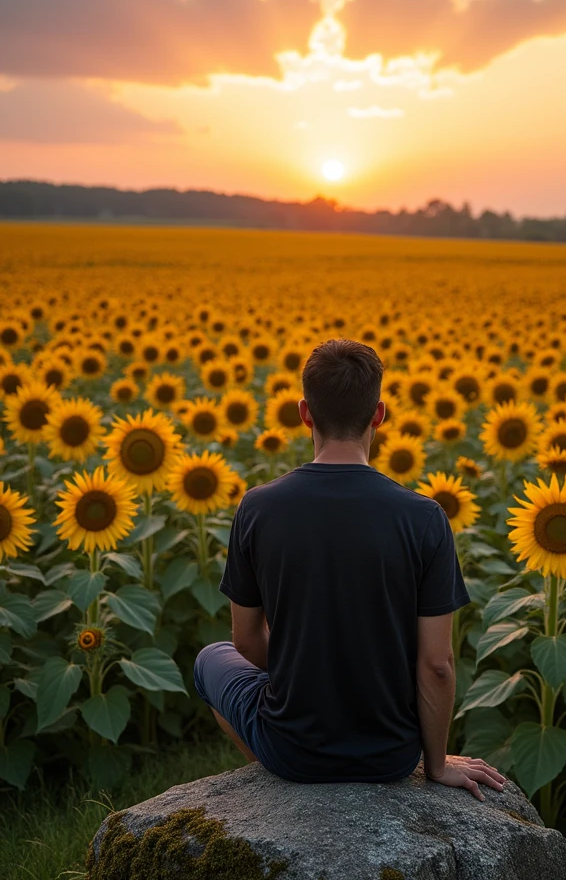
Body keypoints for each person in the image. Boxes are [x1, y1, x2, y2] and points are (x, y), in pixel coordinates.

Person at [194, 338, 506, 799]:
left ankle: (276, 776)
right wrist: (434, 765)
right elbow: (437, 665)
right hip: (392, 757)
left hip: (292, 750)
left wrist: (307, 665)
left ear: (304, 413)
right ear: (378, 414)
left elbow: (247, 644)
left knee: (210, 660)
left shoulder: (258, 507)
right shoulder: (424, 517)